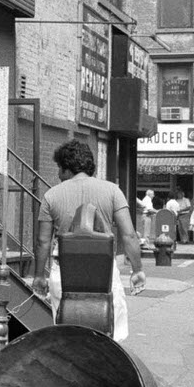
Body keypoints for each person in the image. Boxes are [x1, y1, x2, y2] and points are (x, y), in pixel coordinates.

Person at [32, 139, 146, 341]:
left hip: (64, 272)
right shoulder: (113, 191)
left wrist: (39, 276)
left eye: (59, 168)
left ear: (67, 168)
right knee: (111, 337)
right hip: (104, 272)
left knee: (69, 337)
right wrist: (137, 270)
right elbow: (128, 235)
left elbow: (43, 242)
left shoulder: (51, 196)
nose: (58, 174)